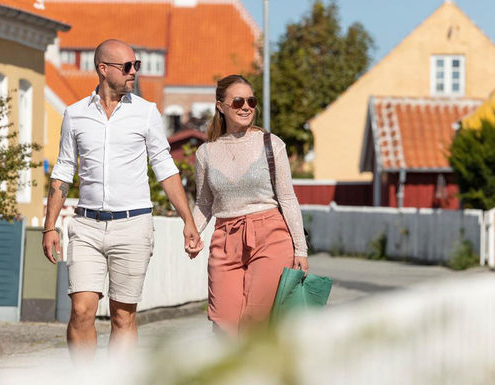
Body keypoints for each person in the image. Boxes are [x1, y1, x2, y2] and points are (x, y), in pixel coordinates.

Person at [42, 39, 203, 361]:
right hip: (87, 224)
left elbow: (164, 167)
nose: (134, 73)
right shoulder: (75, 115)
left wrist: (188, 220)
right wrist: (49, 227)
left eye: (136, 66)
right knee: (82, 310)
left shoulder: (146, 113)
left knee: (123, 315)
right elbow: (63, 170)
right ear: (103, 69)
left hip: (133, 225)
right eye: (127, 66)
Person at [188, 74, 308, 336]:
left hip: (271, 236)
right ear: (221, 106)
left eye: (251, 101)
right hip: (225, 238)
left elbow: (287, 198)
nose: (246, 107)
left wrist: (301, 249)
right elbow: (205, 202)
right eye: (238, 101)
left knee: (256, 321)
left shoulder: (271, 144)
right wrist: (192, 230)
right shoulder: (205, 153)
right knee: (224, 324)